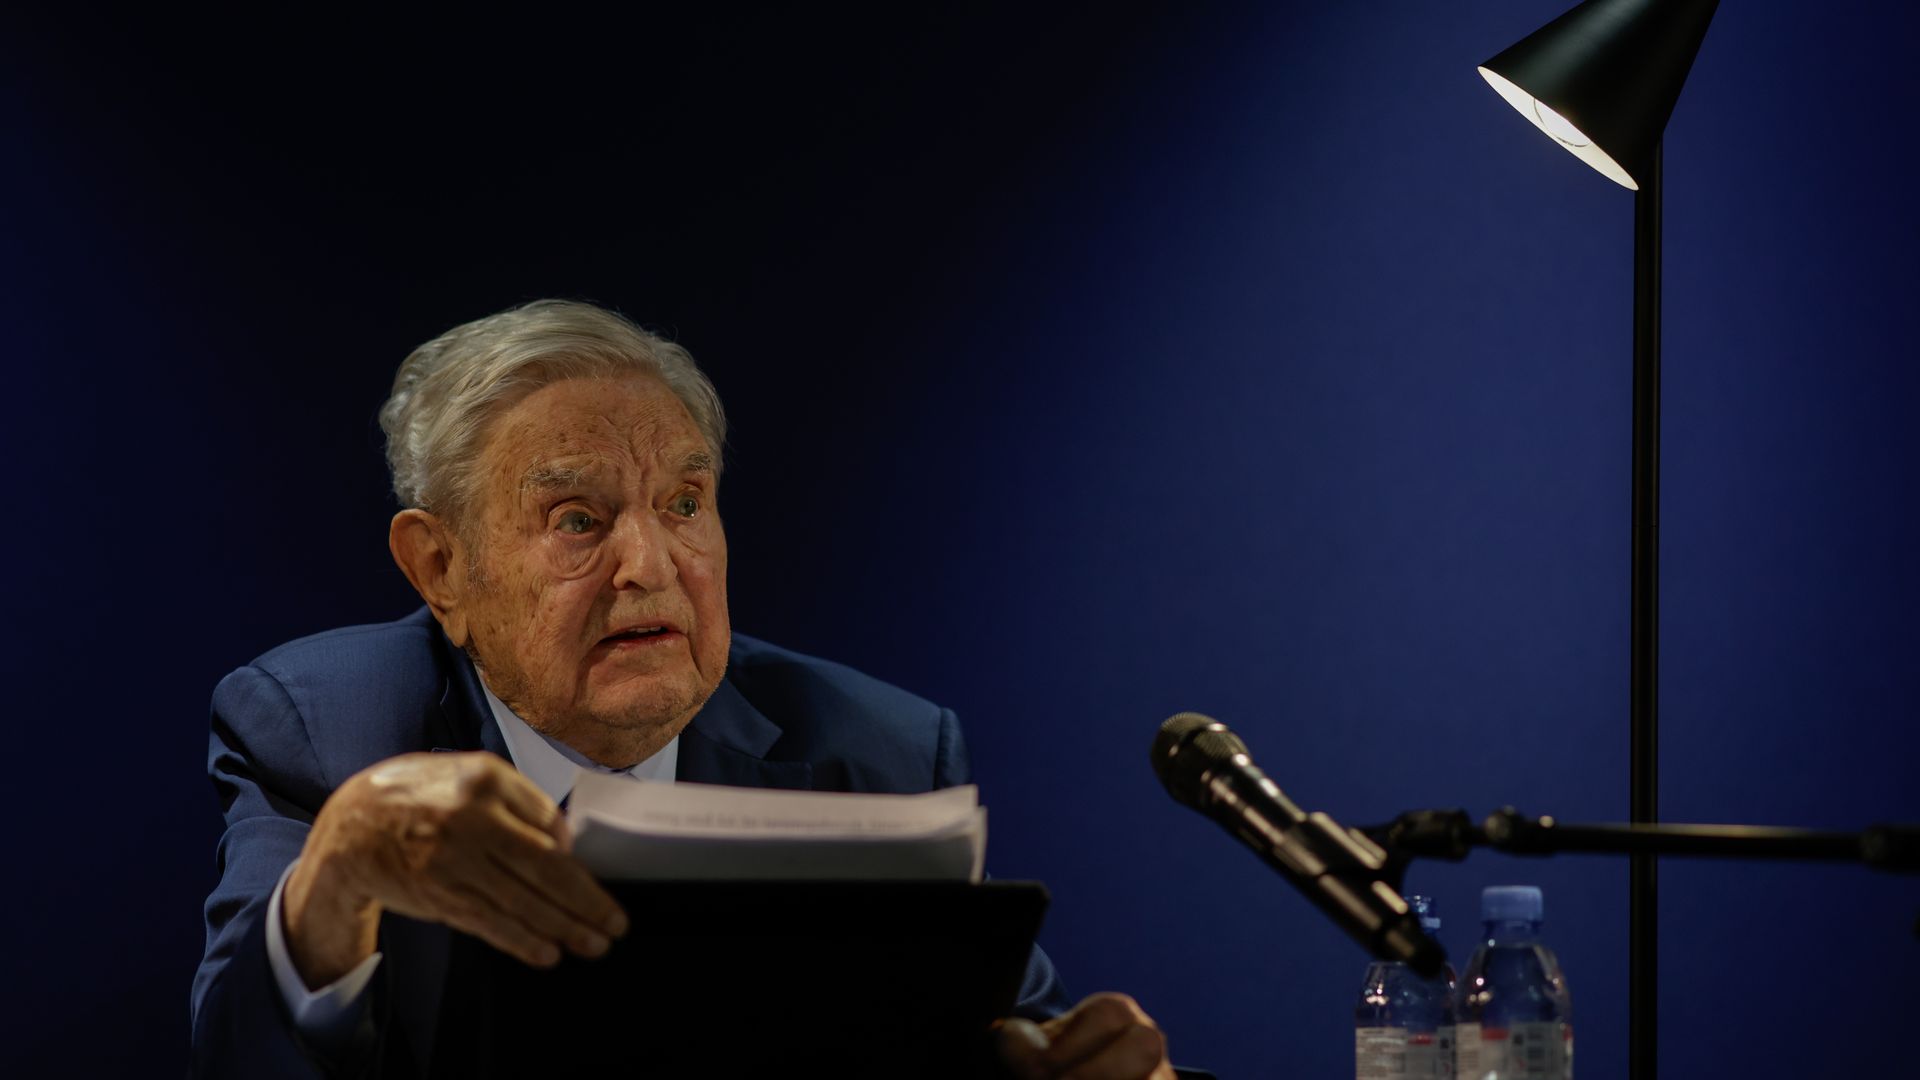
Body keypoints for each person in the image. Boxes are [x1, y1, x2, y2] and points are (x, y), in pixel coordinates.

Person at [191, 300, 1176, 1079]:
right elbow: (237, 1058)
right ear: (442, 569)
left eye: (683, 504)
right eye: (577, 519)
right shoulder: (325, 728)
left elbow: (1013, 1038)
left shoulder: (875, 751)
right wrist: (343, 871)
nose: (652, 565)